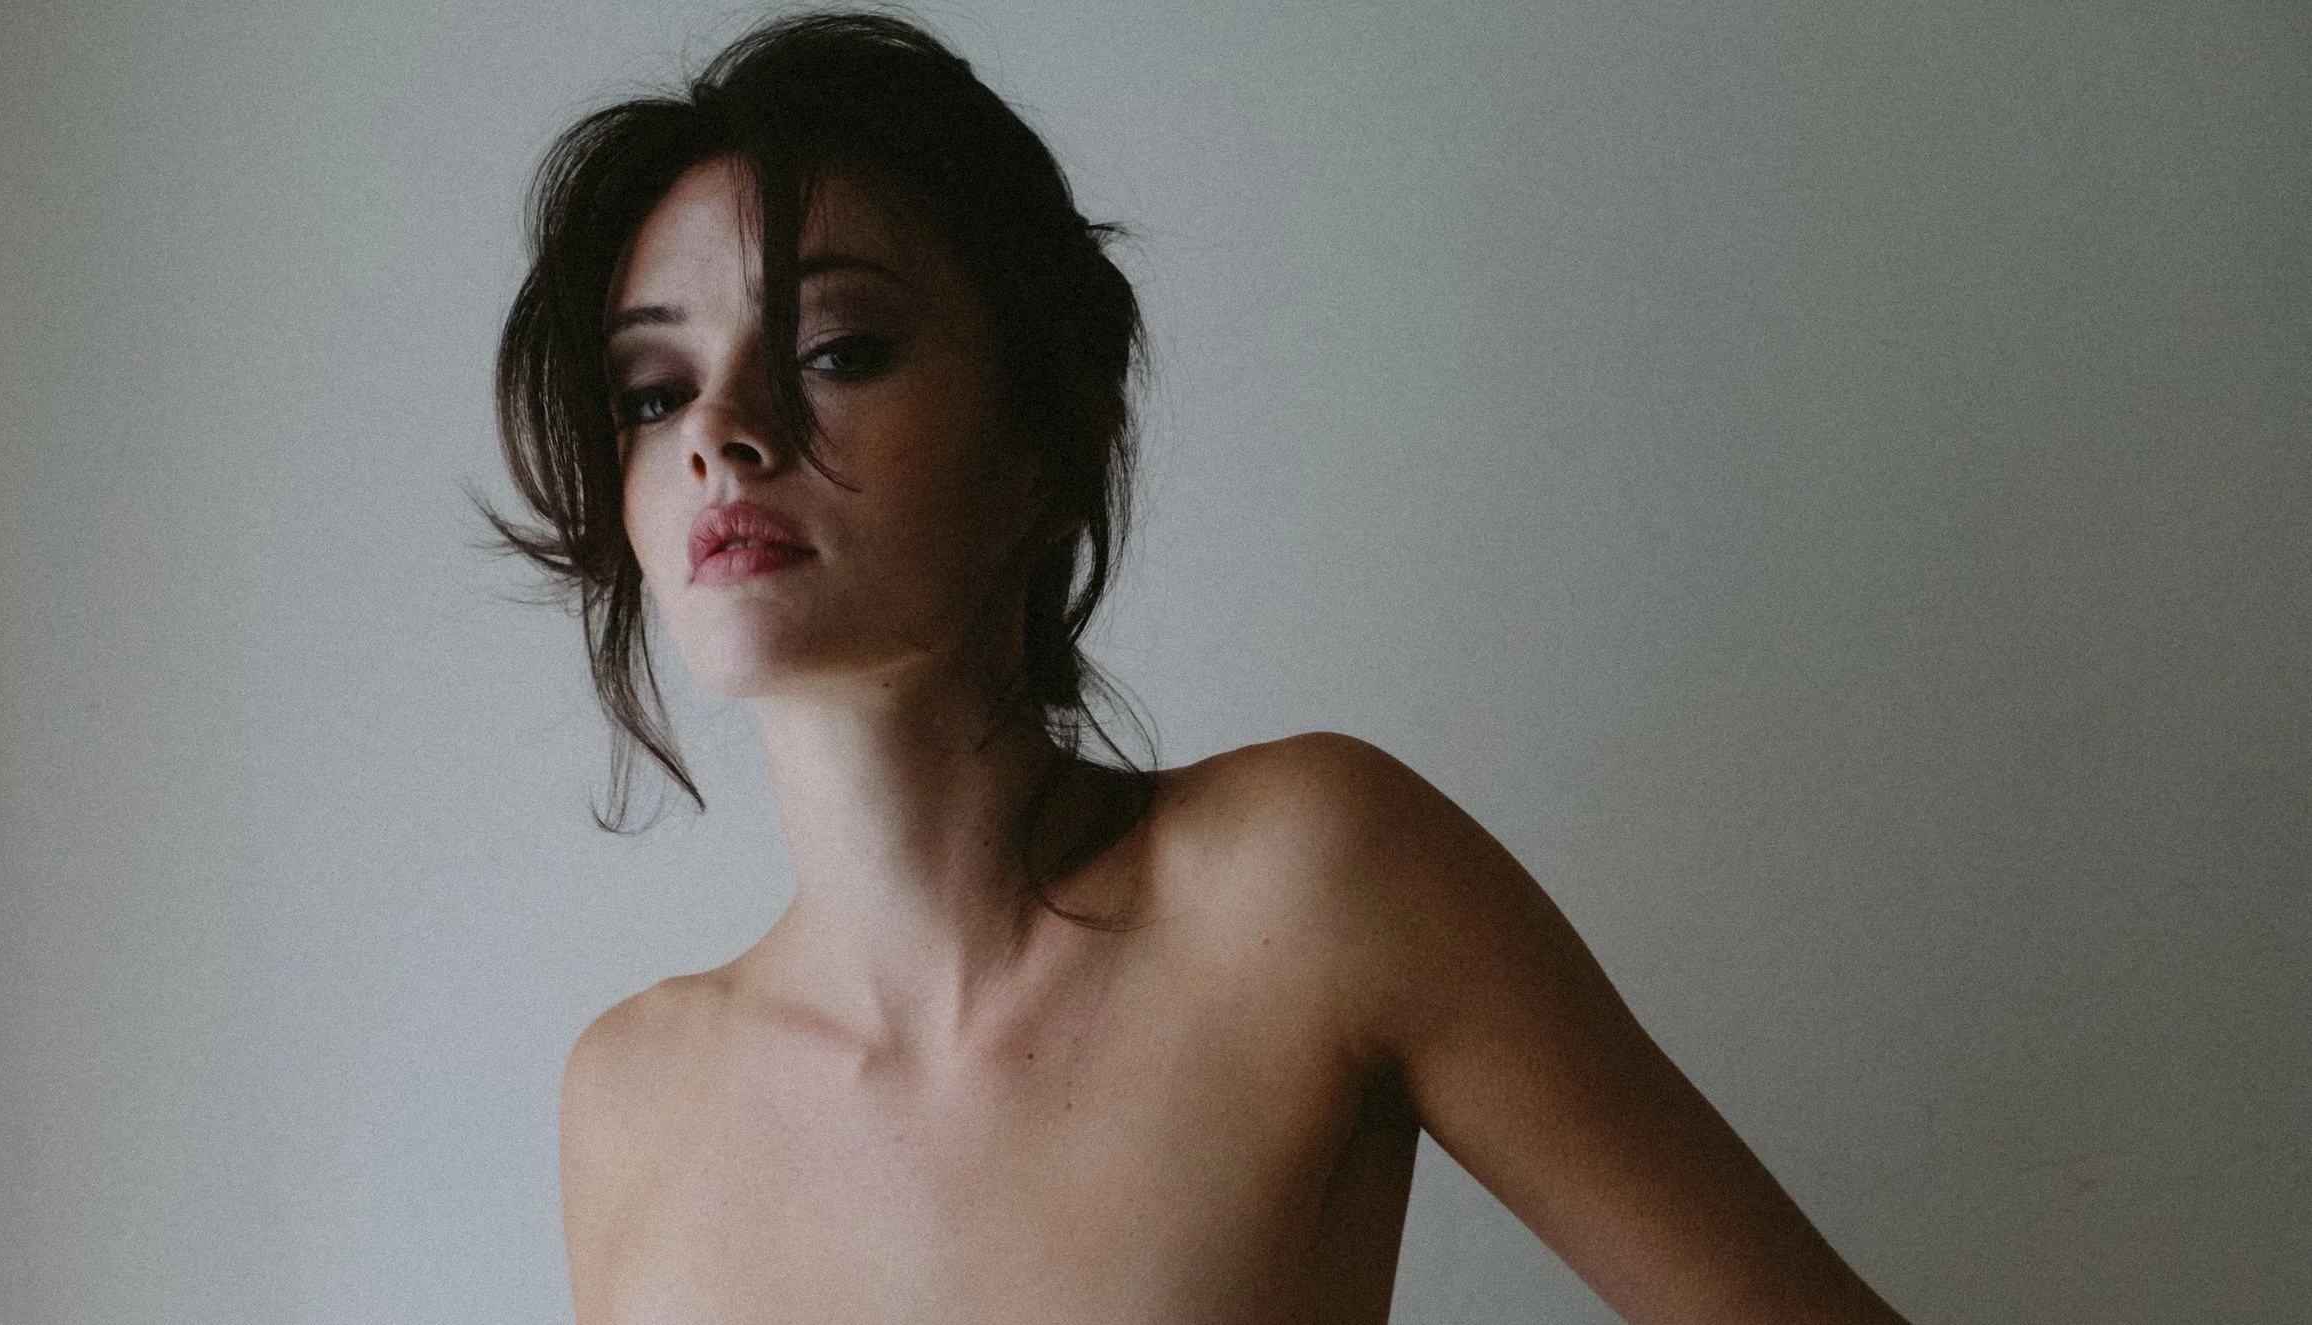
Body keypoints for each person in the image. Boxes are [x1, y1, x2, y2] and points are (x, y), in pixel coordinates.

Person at [491, 12, 1911, 1324]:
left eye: (838, 349)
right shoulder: (629, 1094)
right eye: (652, 392)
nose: (718, 433)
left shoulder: (1306, 881)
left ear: (1042, 432)